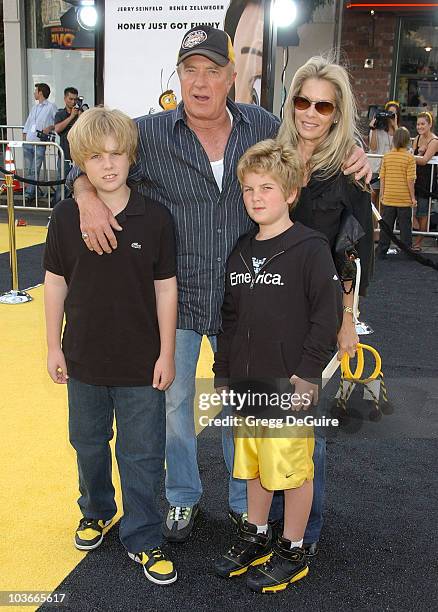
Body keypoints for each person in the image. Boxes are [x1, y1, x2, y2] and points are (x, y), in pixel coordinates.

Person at [67, 27, 371, 544]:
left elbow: (314, 136)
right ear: (178, 76)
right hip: (176, 303)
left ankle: (242, 505)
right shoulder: (150, 134)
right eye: (191, 70)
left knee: (244, 409)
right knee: (176, 409)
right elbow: (96, 154)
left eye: (213, 71)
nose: (201, 83)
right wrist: (82, 193)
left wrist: (357, 152)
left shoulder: (263, 128)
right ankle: (183, 498)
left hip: (247, 304)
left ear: (234, 77)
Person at [43, 107, 178, 585]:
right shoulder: (64, 216)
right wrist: (52, 346)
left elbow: (166, 287)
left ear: (131, 156)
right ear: (81, 161)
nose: (107, 164)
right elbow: (55, 282)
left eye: (117, 153)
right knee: (88, 444)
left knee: (141, 453)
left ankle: (144, 536)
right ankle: (95, 510)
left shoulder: (156, 218)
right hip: (82, 359)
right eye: (96, 156)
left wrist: (167, 353)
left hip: (142, 363)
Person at [213, 139, 342, 592]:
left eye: (266, 188)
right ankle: (258, 533)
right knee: (252, 466)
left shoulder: (310, 247)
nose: (256, 197)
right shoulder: (241, 250)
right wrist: (223, 370)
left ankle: (295, 547)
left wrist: (307, 374)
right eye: (248, 189)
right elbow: (230, 318)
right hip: (248, 383)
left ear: (290, 193)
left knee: (291, 468)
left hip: (289, 386)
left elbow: (328, 316)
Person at [276, 56, 374, 554]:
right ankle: (272, 518)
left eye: (322, 105)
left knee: (306, 425)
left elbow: (353, 255)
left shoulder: (348, 176)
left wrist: (347, 323)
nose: (310, 112)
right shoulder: (273, 159)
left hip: (320, 319)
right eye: (302, 101)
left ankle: (305, 532)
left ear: (337, 113)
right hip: (269, 311)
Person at [377, 126, 416, 258]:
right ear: (407, 141)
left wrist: (382, 194)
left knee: (386, 226)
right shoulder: (410, 158)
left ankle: (382, 251)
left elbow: (382, 177)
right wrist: (413, 198)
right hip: (404, 198)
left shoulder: (387, 156)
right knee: (405, 227)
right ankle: (407, 252)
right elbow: (410, 180)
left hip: (388, 197)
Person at [22, 83, 57, 203]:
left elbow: (57, 122)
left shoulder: (51, 107)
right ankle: (33, 191)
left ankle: (29, 193)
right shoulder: (34, 107)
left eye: (36, 90)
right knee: (29, 169)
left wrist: (49, 127)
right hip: (29, 141)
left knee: (34, 169)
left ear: (40, 92)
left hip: (39, 143)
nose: (34, 93)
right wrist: (24, 137)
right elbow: (28, 122)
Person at [412, 111, 438, 250]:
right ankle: (415, 229)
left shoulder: (434, 141)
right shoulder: (416, 138)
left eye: (423, 124)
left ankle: (419, 240)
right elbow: (416, 155)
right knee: (410, 208)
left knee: (422, 210)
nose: (420, 127)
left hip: (427, 180)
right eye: (418, 124)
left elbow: (424, 160)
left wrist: (409, 157)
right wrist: (416, 154)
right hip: (414, 179)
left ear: (429, 124)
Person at [368, 101, 400, 208]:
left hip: (389, 170)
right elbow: (373, 148)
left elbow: (397, 148)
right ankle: (371, 224)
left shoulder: (399, 132)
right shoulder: (377, 128)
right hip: (375, 168)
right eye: (389, 113)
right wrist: (374, 128)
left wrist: (395, 127)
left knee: (384, 199)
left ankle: (380, 224)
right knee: (372, 197)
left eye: (393, 114)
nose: (390, 116)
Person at [54, 87, 82, 203]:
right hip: (64, 155)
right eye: (70, 99)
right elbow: (57, 129)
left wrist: (80, 116)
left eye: (75, 99)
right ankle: (56, 210)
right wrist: (71, 116)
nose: (73, 102)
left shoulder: (81, 113)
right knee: (62, 185)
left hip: (78, 156)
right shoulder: (60, 114)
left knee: (78, 185)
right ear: (65, 99)